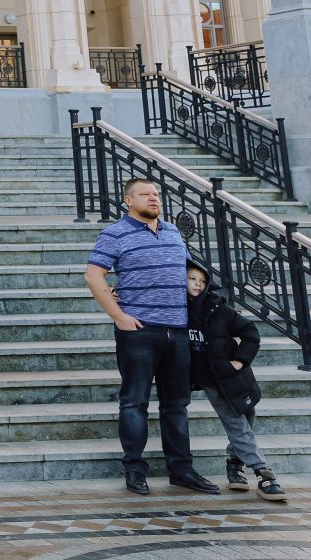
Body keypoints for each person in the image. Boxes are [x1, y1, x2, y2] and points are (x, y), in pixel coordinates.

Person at [84, 177, 220, 497]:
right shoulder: (114, 233)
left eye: (157, 194)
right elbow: (93, 274)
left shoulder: (173, 231)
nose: (154, 198)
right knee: (134, 403)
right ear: (129, 201)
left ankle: (182, 471)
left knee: (176, 405)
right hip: (140, 332)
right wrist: (119, 317)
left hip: (179, 332)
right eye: (145, 194)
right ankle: (134, 470)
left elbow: (182, 275)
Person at [186, 261, 286, 501]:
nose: (197, 284)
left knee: (246, 416)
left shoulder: (219, 308)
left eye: (201, 280)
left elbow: (251, 332)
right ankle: (263, 473)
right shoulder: (175, 309)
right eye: (192, 279)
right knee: (236, 422)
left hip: (234, 375)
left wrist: (240, 361)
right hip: (209, 378)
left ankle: (234, 463)